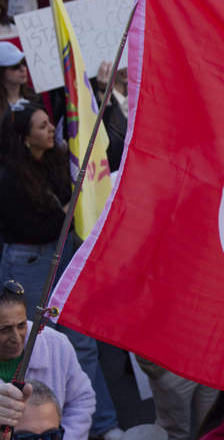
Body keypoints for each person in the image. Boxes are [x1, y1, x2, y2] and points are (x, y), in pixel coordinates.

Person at [0, 103, 123, 440]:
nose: (51, 129)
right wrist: (71, 209)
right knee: (36, 346)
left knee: (82, 342)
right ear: (26, 138)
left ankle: (101, 424)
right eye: (42, 126)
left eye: (49, 122)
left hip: (62, 254)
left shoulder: (55, 160)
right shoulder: (9, 179)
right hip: (31, 266)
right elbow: (37, 227)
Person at [0, 282, 94, 440]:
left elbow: (82, 399)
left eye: (21, 325)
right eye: (4, 329)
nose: (16, 338)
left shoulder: (56, 345)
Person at [0, 43, 37, 122]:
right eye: (15, 66)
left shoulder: (34, 97)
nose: (23, 69)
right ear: (1, 71)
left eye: (24, 62)